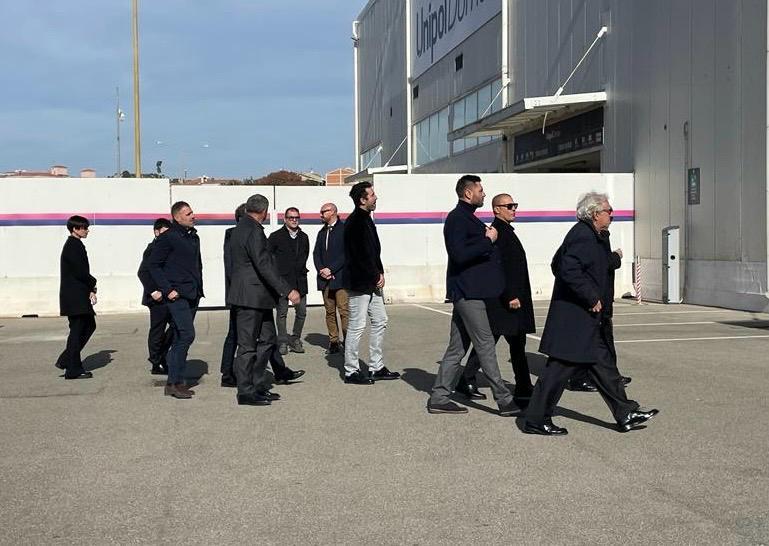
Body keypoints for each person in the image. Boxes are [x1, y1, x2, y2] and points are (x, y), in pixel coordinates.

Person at [523, 192, 659, 435]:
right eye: (608, 210)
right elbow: (566, 268)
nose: (612, 214)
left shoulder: (594, 236)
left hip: (586, 317)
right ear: (595, 213)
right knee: (558, 369)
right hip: (575, 317)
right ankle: (536, 419)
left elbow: (563, 263)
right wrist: (590, 295)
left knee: (603, 365)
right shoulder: (582, 235)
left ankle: (625, 412)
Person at [427, 175, 517, 416]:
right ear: (468, 193)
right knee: (486, 344)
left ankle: (439, 396)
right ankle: (505, 400)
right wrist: (487, 240)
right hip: (469, 293)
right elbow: (459, 254)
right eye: (480, 190)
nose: (484, 194)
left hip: (469, 292)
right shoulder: (458, 219)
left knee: (457, 348)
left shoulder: (468, 219)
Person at [458, 194, 534, 408]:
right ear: (496, 209)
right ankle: (468, 378)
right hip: (505, 299)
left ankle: (523, 386)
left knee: (515, 342)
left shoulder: (506, 231)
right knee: (492, 340)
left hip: (513, 297)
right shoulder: (497, 233)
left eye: (514, 205)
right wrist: (510, 295)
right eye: (509, 206)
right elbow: (498, 267)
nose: (513, 209)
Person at [227, 194, 301, 406]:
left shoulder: (242, 228)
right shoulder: (252, 231)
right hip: (251, 297)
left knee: (268, 339)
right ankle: (246, 391)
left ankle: (257, 384)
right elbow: (263, 265)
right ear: (264, 212)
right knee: (248, 347)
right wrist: (288, 290)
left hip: (259, 297)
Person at [342, 182, 400, 384]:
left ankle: (376, 367)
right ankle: (351, 370)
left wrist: (380, 272)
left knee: (380, 320)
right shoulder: (355, 222)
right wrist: (375, 274)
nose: (376, 198)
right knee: (357, 326)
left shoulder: (366, 219)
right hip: (360, 282)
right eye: (372, 195)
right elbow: (360, 255)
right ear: (362, 199)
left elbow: (374, 252)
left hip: (373, 281)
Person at [147, 201, 203, 400]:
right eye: (188, 213)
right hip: (177, 295)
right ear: (177, 217)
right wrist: (167, 289)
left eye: (192, 212)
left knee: (180, 337)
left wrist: (198, 289)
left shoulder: (193, 237)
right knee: (187, 335)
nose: (193, 215)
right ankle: (172, 381)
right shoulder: (168, 237)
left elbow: (196, 266)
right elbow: (153, 266)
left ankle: (176, 381)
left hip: (192, 295)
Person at [55, 215, 98, 380]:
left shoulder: (74, 245)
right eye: (84, 228)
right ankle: (72, 368)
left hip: (76, 295)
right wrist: (93, 283)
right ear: (75, 229)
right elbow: (80, 272)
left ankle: (67, 359)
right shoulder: (74, 246)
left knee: (87, 326)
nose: (87, 231)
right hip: (75, 297)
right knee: (79, 330)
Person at [268, 207, 310, 355]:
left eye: (296, 217)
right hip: (282, 282)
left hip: (300, 281)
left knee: (302, 312)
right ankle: (283, 342)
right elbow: (269, 259)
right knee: (282, 314)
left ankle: (295, 338)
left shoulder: (304, 237)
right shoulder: (275, 237)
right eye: (291, 217)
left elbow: (305, 255)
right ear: (284, 219)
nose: (294, 220)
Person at [137, 217, 173, 375]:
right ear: (156, 232)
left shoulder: (168, 247)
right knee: (157, 330)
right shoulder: (152, 248)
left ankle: (160, 357)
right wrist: (153, 291)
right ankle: (156, 361)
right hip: (156, 297)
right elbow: (143, 272)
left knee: (177, 327)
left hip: (168, 296)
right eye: (164, 232)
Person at [312, 202, 348, 354]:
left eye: (323, 212)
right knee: (329, 312)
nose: (320, 215)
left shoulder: (344, 229)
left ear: (332, 212)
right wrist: (321, 269)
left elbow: (346, 254)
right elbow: (316, 254)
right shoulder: (322, 232)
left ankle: (348, 342)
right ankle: (334, 341)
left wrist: (331, 269)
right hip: (325, 279)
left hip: (340, 279)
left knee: (344, 311)